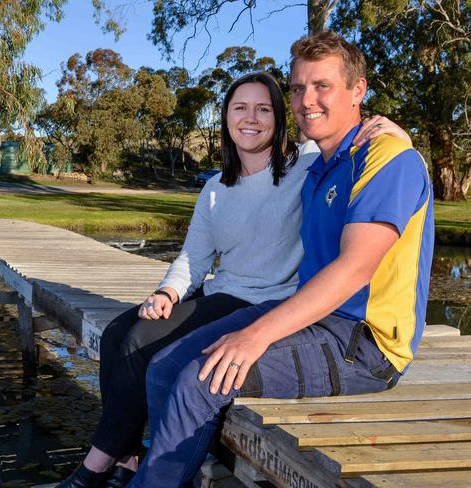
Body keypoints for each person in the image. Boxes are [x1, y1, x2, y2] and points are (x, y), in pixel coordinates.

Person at [56, 71, 410, 488]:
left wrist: (397, 135)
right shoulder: (214, 188)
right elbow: (193, 256)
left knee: (140, 347)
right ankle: (130, 455)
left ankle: (99, 466)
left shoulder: (308, 165)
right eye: (240, 108)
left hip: (267, 301)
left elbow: (349, 141)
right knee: (119, 332)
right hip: (223, 292)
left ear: (279, 119)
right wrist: (168, 292)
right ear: (225, 118)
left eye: (263, 109)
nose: (251, 118)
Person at [126, 31, 434, 488]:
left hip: (364, 344)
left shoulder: (388, 158)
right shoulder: (318, 167)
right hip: (312, 318)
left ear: (358, 91)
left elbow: (355, 269)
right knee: (164, 367)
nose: (307, 99)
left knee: (199, 380)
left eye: (322, 86)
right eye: (297, 87)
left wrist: (254, 337)